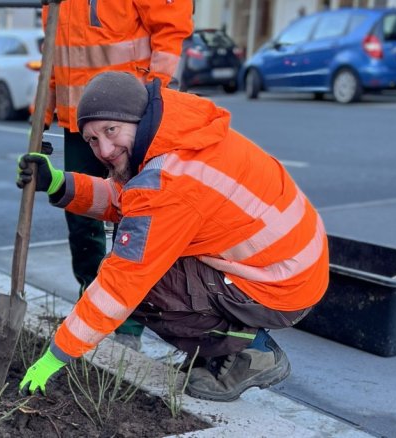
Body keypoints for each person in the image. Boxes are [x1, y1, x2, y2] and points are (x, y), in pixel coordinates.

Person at [16, 72, 329, 402]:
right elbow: (129, 200)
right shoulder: (171, 133)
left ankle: (251, 353)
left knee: (143, 284)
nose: (104, 149)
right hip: (287, 262)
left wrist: (57, 353)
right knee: (144, 252)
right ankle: (220, 348)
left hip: (281, 285)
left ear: (136, 118)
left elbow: (123, 283)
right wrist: (58, 184)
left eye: (111, 131)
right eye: (93, 140)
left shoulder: (170, 179)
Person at [39, 0, 194, 341]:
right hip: (78, 122)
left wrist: (154, 100)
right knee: (80, 218)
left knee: (135, 220)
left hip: (129, 121)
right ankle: (91, 307)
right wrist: (44, 108)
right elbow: (56, 52)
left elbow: (170, 31)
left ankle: (129, 323)